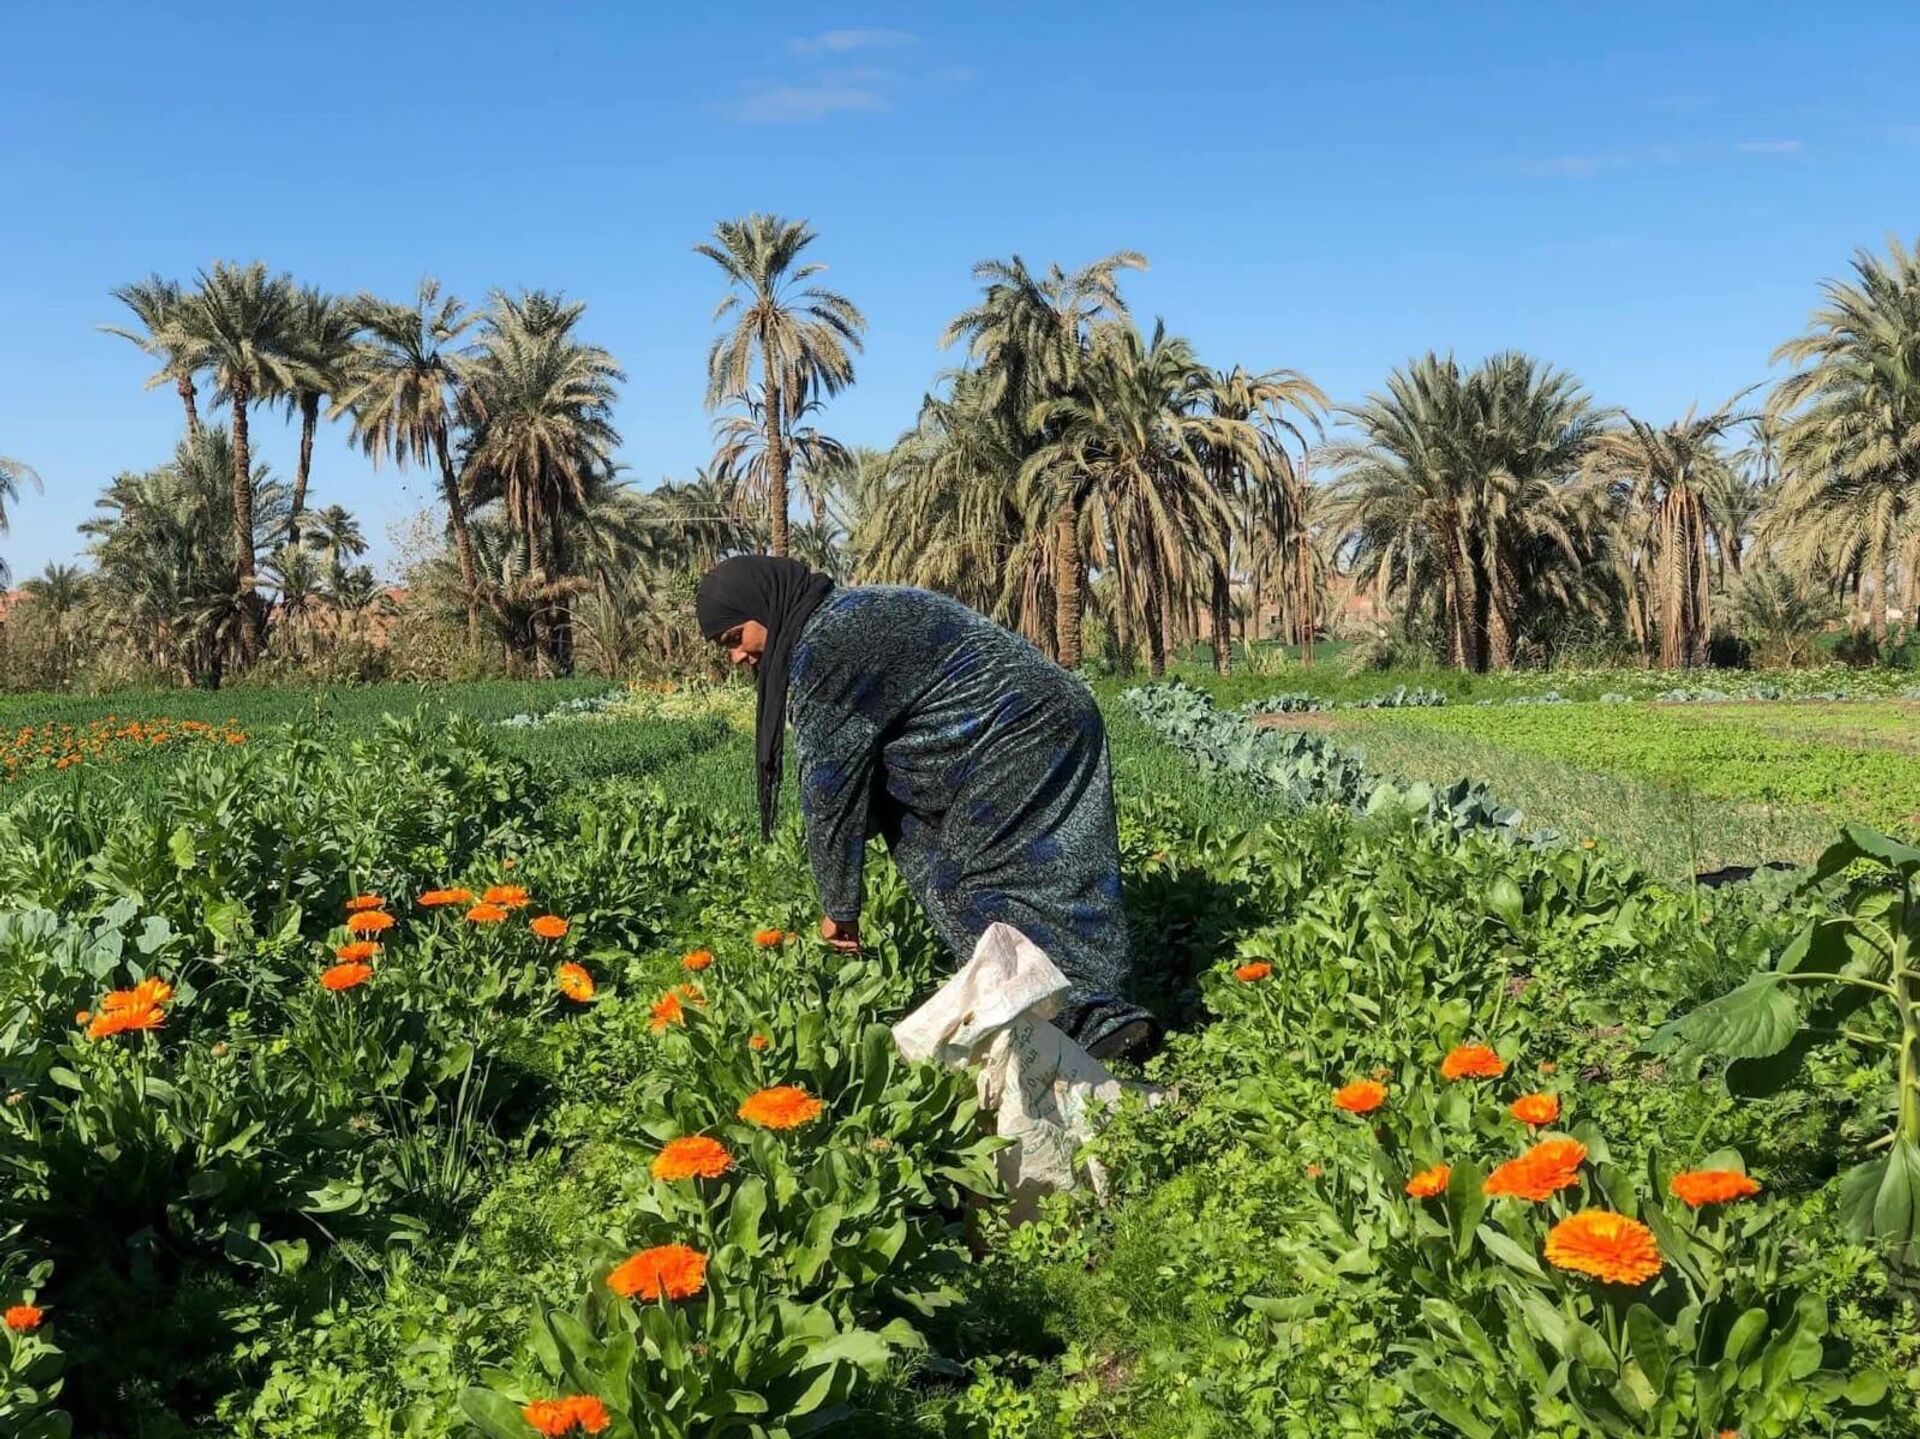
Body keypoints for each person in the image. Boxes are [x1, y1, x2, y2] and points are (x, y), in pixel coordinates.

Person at [695, 555, 1160, 1063]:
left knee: (967, 882)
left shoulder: (822, 647)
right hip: (1055, 713)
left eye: (736, 638)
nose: (738, 657)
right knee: (1055, 875)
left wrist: (839, 909)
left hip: (1015, 732)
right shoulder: (850, 613)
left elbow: (829, 788)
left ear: (766, 606)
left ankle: (1072, 1029)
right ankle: (1095, 1013)